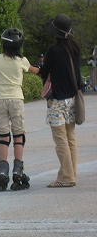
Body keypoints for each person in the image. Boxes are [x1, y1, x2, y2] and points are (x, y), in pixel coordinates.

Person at [0, 28, 40, 192]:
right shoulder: (22, 61)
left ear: (3, 44)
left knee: (4, 136)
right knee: (19, 135)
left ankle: (2, 172)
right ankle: (17, 171)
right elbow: (36, 71)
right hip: (16, 99)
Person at [37, 14, 82, 188]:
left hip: (57, 100)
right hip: (72, 99)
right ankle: (71, 174)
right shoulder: (75, 48)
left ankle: (66, 177)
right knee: (71, 138)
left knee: (60, 140)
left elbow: (44, 71)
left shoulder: (54, 50)